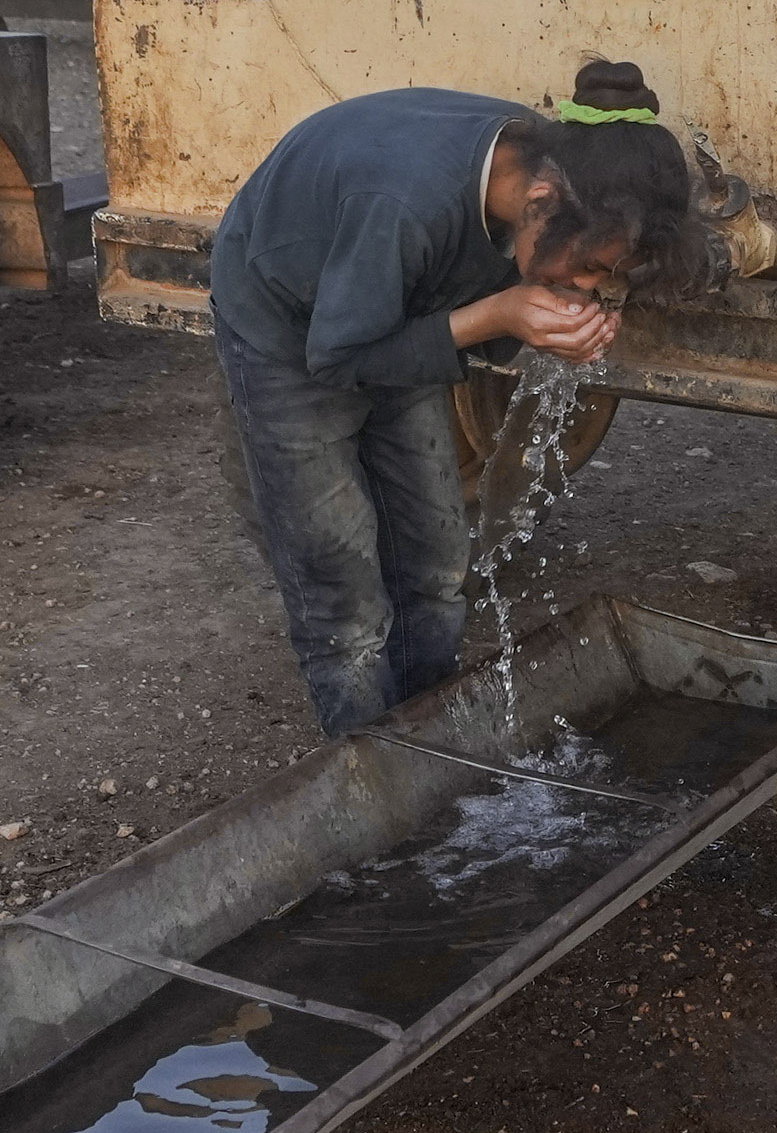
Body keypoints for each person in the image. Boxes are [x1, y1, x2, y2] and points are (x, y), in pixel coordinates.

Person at [204, 56, 697, 735]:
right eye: (584, 267)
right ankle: (373, 775)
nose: (585, 287)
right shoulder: (404, 204)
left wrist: (545, 323)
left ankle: (427, 740)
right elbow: (338, 355)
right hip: (289, 324)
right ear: (542, 202)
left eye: (603, 276)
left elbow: (435, 324)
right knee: (344, 595)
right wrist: (502, 316)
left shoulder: (544, 172)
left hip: (394, 309)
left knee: (436, 562)